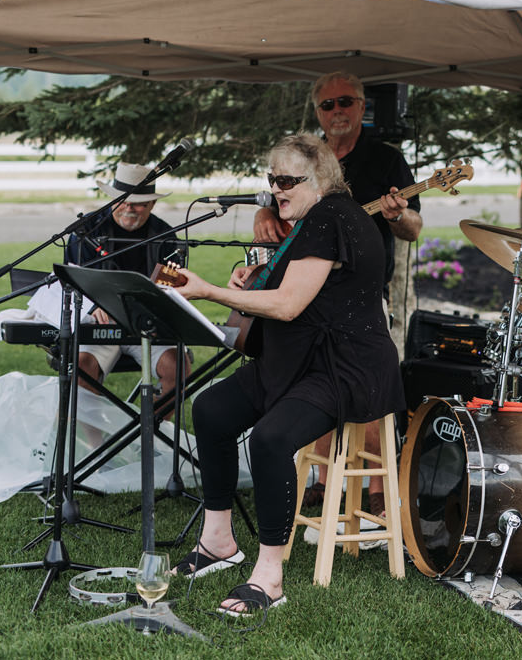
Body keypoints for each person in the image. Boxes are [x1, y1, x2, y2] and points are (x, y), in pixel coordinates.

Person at [170, 133, 404, 615]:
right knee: (211, 410)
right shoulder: (318, 217)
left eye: (286, 181)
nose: (276, 189)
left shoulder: (331, 216)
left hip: (344, 366)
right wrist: (252, 277)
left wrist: (210, 291)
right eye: (271, 178)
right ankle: (218, 542)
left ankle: (269, 576)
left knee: (271, 439)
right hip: (298, 359)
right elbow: (298, 285)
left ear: (319, 179)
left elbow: (289, 304)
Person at [253, 71, 422, 516]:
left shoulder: (386, 159)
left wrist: (396, 215)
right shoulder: (307, 157)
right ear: (317, 112)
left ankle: (376, 489)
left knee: (369, 390)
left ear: (362, 106)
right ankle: (324, 480)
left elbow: (413, 228)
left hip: (359, 297)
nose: (337, 111)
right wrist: (263, 217)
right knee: (313, 384)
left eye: (345, 101)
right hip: (305, 292)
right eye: (327, 105)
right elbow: (273, 200)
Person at [66, 162, 190, 403]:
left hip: (148, 324)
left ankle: (154, 425)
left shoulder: (165, 236)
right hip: (100, 322)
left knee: (178, 367)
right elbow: (72, 279)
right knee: (82, 367)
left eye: (138, 203)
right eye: (123, 200)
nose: (129, 208)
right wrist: (94, 304)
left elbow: (172, 287)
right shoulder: (87, 230)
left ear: (152, 204)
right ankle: (92, 430)